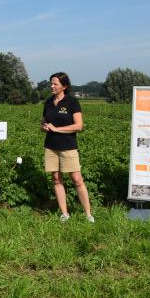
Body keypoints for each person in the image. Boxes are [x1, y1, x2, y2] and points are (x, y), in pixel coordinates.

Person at [40, 72, 94, 223]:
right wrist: (44, 128)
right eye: (51, 83)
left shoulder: (72, 102)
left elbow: (79, 126)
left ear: (64, 86)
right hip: (51, 146)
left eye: (55, 84)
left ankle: (88, 214)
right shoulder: (48, 102)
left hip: (68, 146)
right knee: (56, 179)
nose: (52, 86)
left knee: (77, 179)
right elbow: (43, 123)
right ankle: (65, 214)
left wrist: (58, 129)